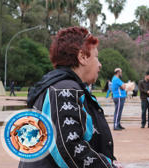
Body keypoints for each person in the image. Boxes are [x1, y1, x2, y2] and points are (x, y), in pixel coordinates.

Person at [20, 27, 120, 168]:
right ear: (82, 57)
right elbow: (68, 148)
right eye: (96, 57)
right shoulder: (63, 90)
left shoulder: (63, 87)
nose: (99, 64)